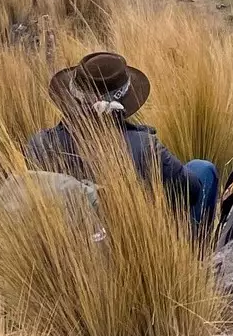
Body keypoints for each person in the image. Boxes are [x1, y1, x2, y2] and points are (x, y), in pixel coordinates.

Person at [24, 50, 221, 235]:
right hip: (133, 246)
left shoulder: (39, 144)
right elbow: (191, 192)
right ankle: (195, 257)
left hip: (65, 250)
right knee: (202, 169)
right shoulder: (146, 146)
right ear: (123, 103)